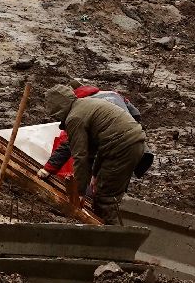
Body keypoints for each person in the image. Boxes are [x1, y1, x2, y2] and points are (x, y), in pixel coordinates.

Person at [39, 83, 147, 224]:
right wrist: (94, 175)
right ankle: (114, 229)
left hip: (122, 147)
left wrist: (79, 193)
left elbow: (80, 157)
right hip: (129, 143)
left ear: (57, 109)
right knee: (107, 191)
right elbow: (87, 150)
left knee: (105, 198)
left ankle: (113, 238)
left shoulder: (75, 117)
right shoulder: (85, 104)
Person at [42, 86, 152, 181]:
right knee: (117, 180)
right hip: (139, 147)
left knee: (101, 184)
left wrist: (48, 168)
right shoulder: (111, 94)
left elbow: (69, 144)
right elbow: (136, 114)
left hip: (113, 148)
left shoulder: (80, 110)